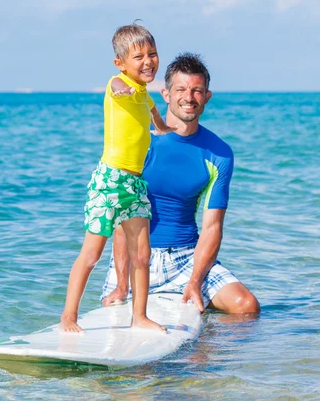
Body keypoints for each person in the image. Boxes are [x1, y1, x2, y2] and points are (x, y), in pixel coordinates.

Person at [101, 53, 260, 315]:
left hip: (187, 258)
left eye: (197, 91)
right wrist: (121, 282)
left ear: (207, 97)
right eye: (181, 90)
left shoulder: (219, 153)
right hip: (136, 257)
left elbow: (212, 226)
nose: (189, 97)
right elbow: (121, 217)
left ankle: (207, 349)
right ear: (165, 94)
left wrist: (196, 281)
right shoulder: (141, 140)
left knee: (246, 307)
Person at [60, 24, 173, 333]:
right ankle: (68, 317)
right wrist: (121, 87)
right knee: (92, 253)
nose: (148, 61)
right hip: (110, 182)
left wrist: (166, 131)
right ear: (121, 63)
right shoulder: (117, 83)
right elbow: (115, 87)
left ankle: (139, 316)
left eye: (152, 54)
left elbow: (158, 122)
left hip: (135, 185)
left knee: (142, 255)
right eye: (139, 56)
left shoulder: (146, 96)